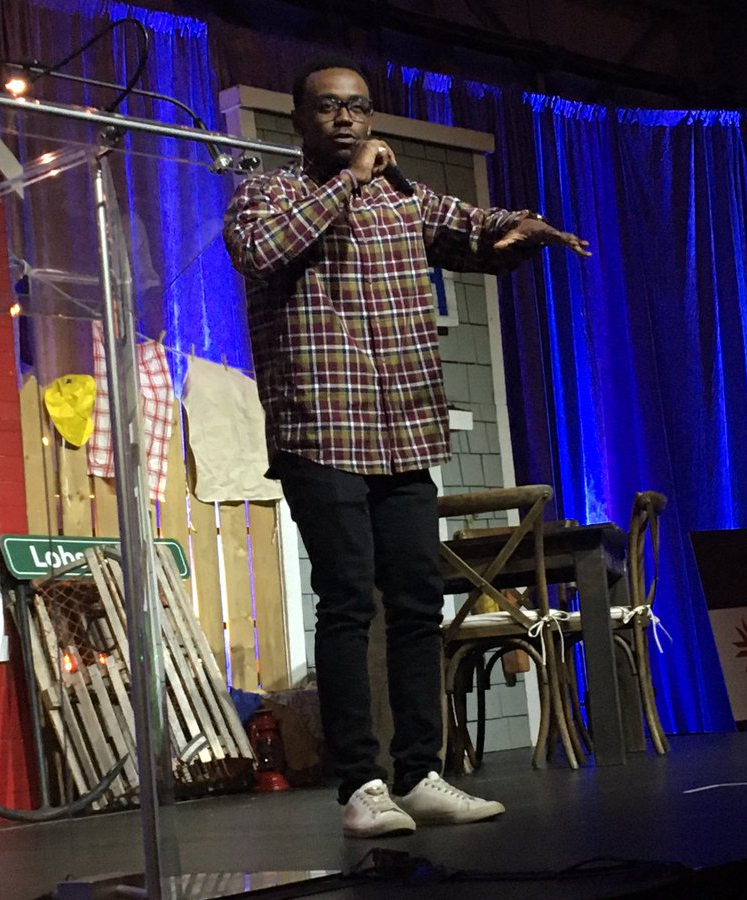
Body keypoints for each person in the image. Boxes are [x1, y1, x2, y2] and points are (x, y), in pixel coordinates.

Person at [223, 57, 591, 839]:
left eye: (357, 106)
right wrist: (349, 181)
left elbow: (473, 228)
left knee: (419, 600)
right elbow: (260, 252)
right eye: (329, 107)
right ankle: (362, 784)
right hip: (322, 429)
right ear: (300, 119)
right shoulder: (270, 194)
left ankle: (420, 773)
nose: (346, 118)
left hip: (403, 431)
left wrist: (524, 231)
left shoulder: (403, 197)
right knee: (348, 602)